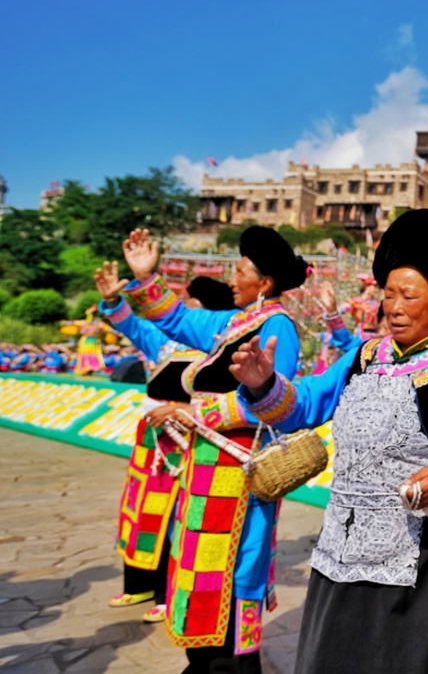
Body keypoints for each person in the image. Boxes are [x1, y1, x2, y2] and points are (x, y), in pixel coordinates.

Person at [228, 209, 428, 674]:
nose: (393, 307)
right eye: (388, 294)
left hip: (413, 564)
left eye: (409, 296)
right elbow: (303, 406)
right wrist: (262, 385)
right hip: (339, 551)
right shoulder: (362, 358)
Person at [104, 225, 307, 672]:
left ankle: (227, 664)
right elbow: (176, 320)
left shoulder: (277, 328)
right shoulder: (235, 322)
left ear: (265, 283)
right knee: (199, 567)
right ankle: (205, 661)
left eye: (241, 271)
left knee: (234, 571)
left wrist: (195, 412)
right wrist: (145, 277)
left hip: (240, 481)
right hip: (204, 474)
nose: (232, 279)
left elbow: (276, 402)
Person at [96, 264, 237, 623]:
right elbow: (132, 324)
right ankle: (139, 582)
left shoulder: (220, 350)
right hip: (154, 445)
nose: (182, 309)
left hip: (194, 444)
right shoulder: (164, 341)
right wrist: (112, 299)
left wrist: (179, 411)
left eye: (190, 303)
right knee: (143, 512)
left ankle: (168, 592)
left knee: (180, 520)